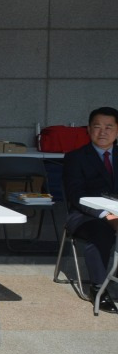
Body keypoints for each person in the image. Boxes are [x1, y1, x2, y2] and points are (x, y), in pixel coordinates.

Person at [63, 106, 118, 313]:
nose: (103, 132)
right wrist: (106, 215)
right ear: (88, 129)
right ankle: (98, 288)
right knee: (101, 233)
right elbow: (76, 195)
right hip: (85, 215)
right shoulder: (75, 158)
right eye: (97, 127)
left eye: (109, 127)